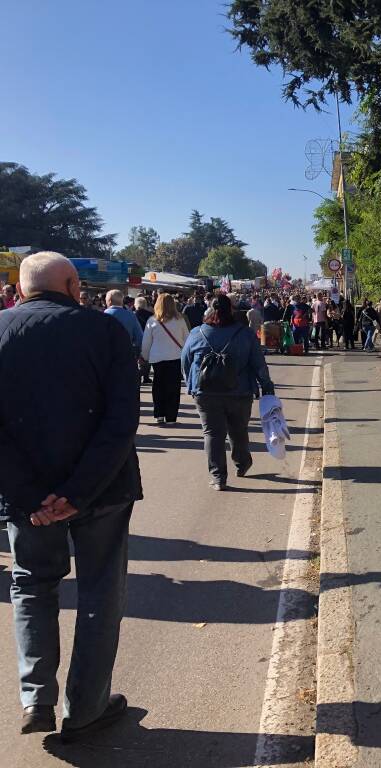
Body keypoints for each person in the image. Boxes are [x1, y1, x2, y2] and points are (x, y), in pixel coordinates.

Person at [0, 252, 141, 741]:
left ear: (21, 289)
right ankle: (85, 707)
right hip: (101, 492)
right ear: (70, 284)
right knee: (101, 589)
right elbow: (121, 421)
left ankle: (36, 697)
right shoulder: (104, 332)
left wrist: (32, 495)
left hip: (25, 500)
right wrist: (77, 493)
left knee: (32, 586)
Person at [181, 295, 275, 490]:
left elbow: (186, 361)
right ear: (231, 310)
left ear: (209, 310)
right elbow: (258, 362)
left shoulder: (196, 333)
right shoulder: (245, 334)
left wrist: (190, 384)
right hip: (239, 391)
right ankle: (242, 463)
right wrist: (266, 385)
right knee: (238, 429)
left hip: (205, 392)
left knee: (212, 434)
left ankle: (218, 477)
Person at [141, 293, 189, 424]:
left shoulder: (152, 321)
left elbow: (146, 342)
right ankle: (171, 416)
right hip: (175, 356)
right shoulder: (180, 320)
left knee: (158, 386)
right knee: (173, 387)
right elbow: (187, 339)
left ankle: (159, 414)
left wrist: (144, 356)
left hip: (158, 358)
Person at [104, 290, 143, 361]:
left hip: (106, 356)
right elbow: (139, 338)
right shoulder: (131, 315)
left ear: (109, 301)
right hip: (126, 355)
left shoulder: (102, 315)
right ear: (121, 301)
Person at [134, 297, 154, 384]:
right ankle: (146, 376)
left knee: (137, 358)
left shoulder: (133, 314)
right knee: (147, 359)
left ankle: (137, 375)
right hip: (148, 338)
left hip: (136, 339)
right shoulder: (150, 315)